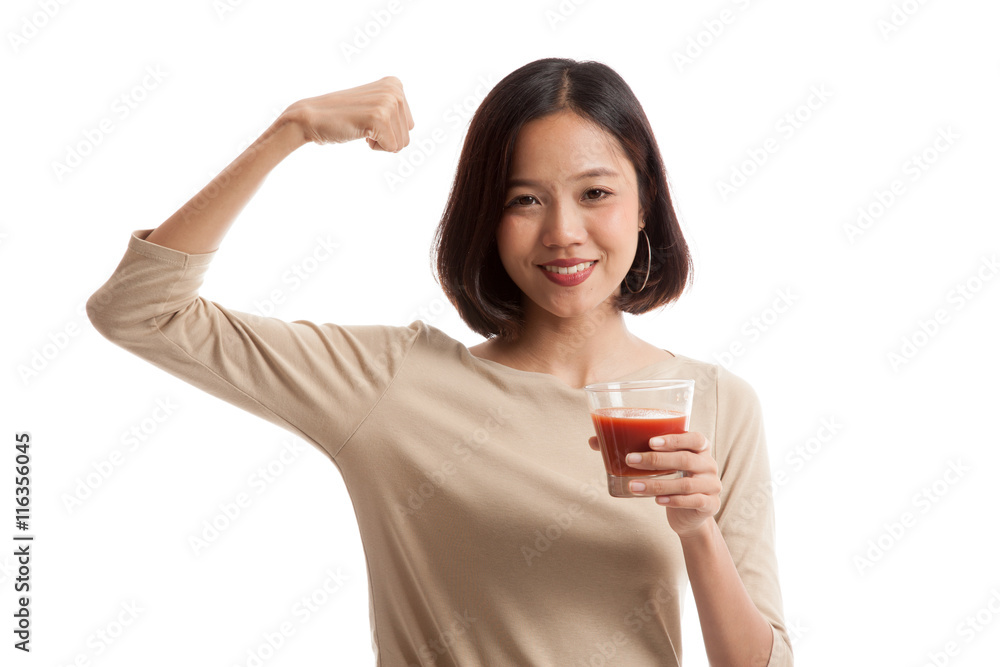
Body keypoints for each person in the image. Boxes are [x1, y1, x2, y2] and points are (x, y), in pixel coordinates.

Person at [87, 57, 793, 666]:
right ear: (488, 220)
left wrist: (697, 528)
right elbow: (138, 310)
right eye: (525, 200)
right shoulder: (393, 386)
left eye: (595, 193)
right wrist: (290, 132)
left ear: (645, 205)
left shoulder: (714, 403)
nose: (563, 233)